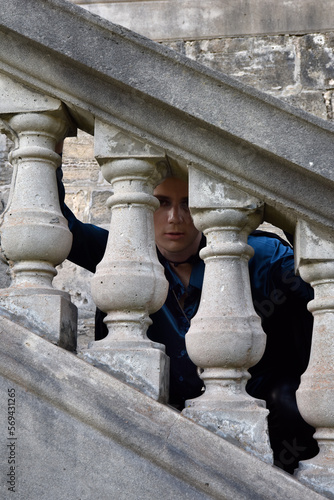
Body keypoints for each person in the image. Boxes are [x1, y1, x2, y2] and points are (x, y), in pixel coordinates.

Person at [57, 167, 318, 473]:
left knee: (289, 398)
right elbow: (63, 226)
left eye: (188, 204)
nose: (175, 218)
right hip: (165, 428)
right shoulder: (123, 255)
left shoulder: (262, 256)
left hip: (261, 418)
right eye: (162, 203)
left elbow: (320, 273)